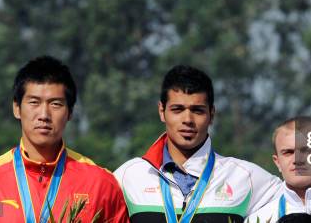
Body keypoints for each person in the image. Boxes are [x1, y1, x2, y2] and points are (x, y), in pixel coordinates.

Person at [0, 56, 129, 223]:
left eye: (56, 104)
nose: (44, 115)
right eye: (34, 102)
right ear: (17, 108)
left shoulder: (100, 183)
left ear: (70, 112)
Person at [114, 65, 281, 222]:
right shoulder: (128, 176)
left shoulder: (246, 177)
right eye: (177, 109)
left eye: (197, 110)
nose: (187, 120)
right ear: (162, 111)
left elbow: (300, 202)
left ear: (212, 114)